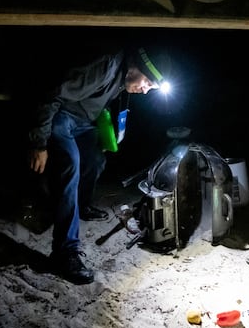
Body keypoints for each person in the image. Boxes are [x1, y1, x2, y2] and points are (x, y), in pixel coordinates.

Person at [26, 44, 170, 284]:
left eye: (150, 88)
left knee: (95, 159)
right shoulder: (105, 66)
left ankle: (80, 205)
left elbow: (101, 104)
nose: (145, 91)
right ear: (136, 66)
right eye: (146, 82)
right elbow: (52, 94)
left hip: (83, 121)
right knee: (70, 165)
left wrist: (106, 131)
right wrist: (38, 143)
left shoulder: (124, 78)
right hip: (61, 115)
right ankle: (65, 253)